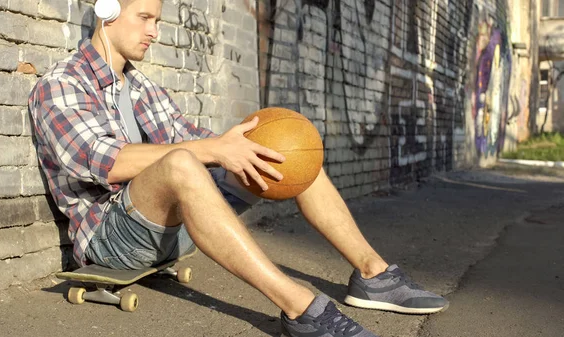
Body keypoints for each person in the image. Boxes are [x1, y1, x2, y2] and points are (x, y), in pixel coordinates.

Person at [28, 1, 448, 336]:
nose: (154, 31)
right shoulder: (61, 84)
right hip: (111, 238)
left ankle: (373, 275)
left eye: (157, 20)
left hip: (172, 229)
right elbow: (107, 161)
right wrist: (211, 150)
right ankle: (300, 307)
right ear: (107, 13)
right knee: (181, 162)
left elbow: (196, 140)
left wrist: (240, 146)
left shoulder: (143, 89)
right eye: (145, 18)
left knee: (287, 150)